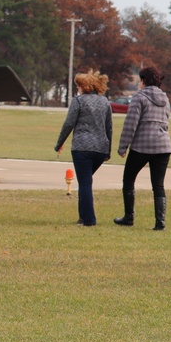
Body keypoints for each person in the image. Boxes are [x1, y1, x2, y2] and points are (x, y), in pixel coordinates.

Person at [114, 66, 171, 231]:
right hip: (163, 145)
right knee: (158, 185)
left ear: (144, 81)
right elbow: (166, 120)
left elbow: (131, 123)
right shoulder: (165, 99)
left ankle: (129, 217)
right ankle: (160, 223)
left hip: (142, 145)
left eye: (141, 80)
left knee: (129, 179)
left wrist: (123, 146)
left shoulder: (139, 98)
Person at [54, 70, 112, 226]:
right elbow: (109, 128)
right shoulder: (105, 102)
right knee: (84, 181)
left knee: (85, 183)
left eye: (78, 85)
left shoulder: (78, 101)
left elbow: (69, 124)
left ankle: (89, 220)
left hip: (82, 147)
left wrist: (59, 144)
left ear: (84, 86)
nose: (77, 88)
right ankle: (82, 217)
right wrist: (108, 151)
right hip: (100, 148)